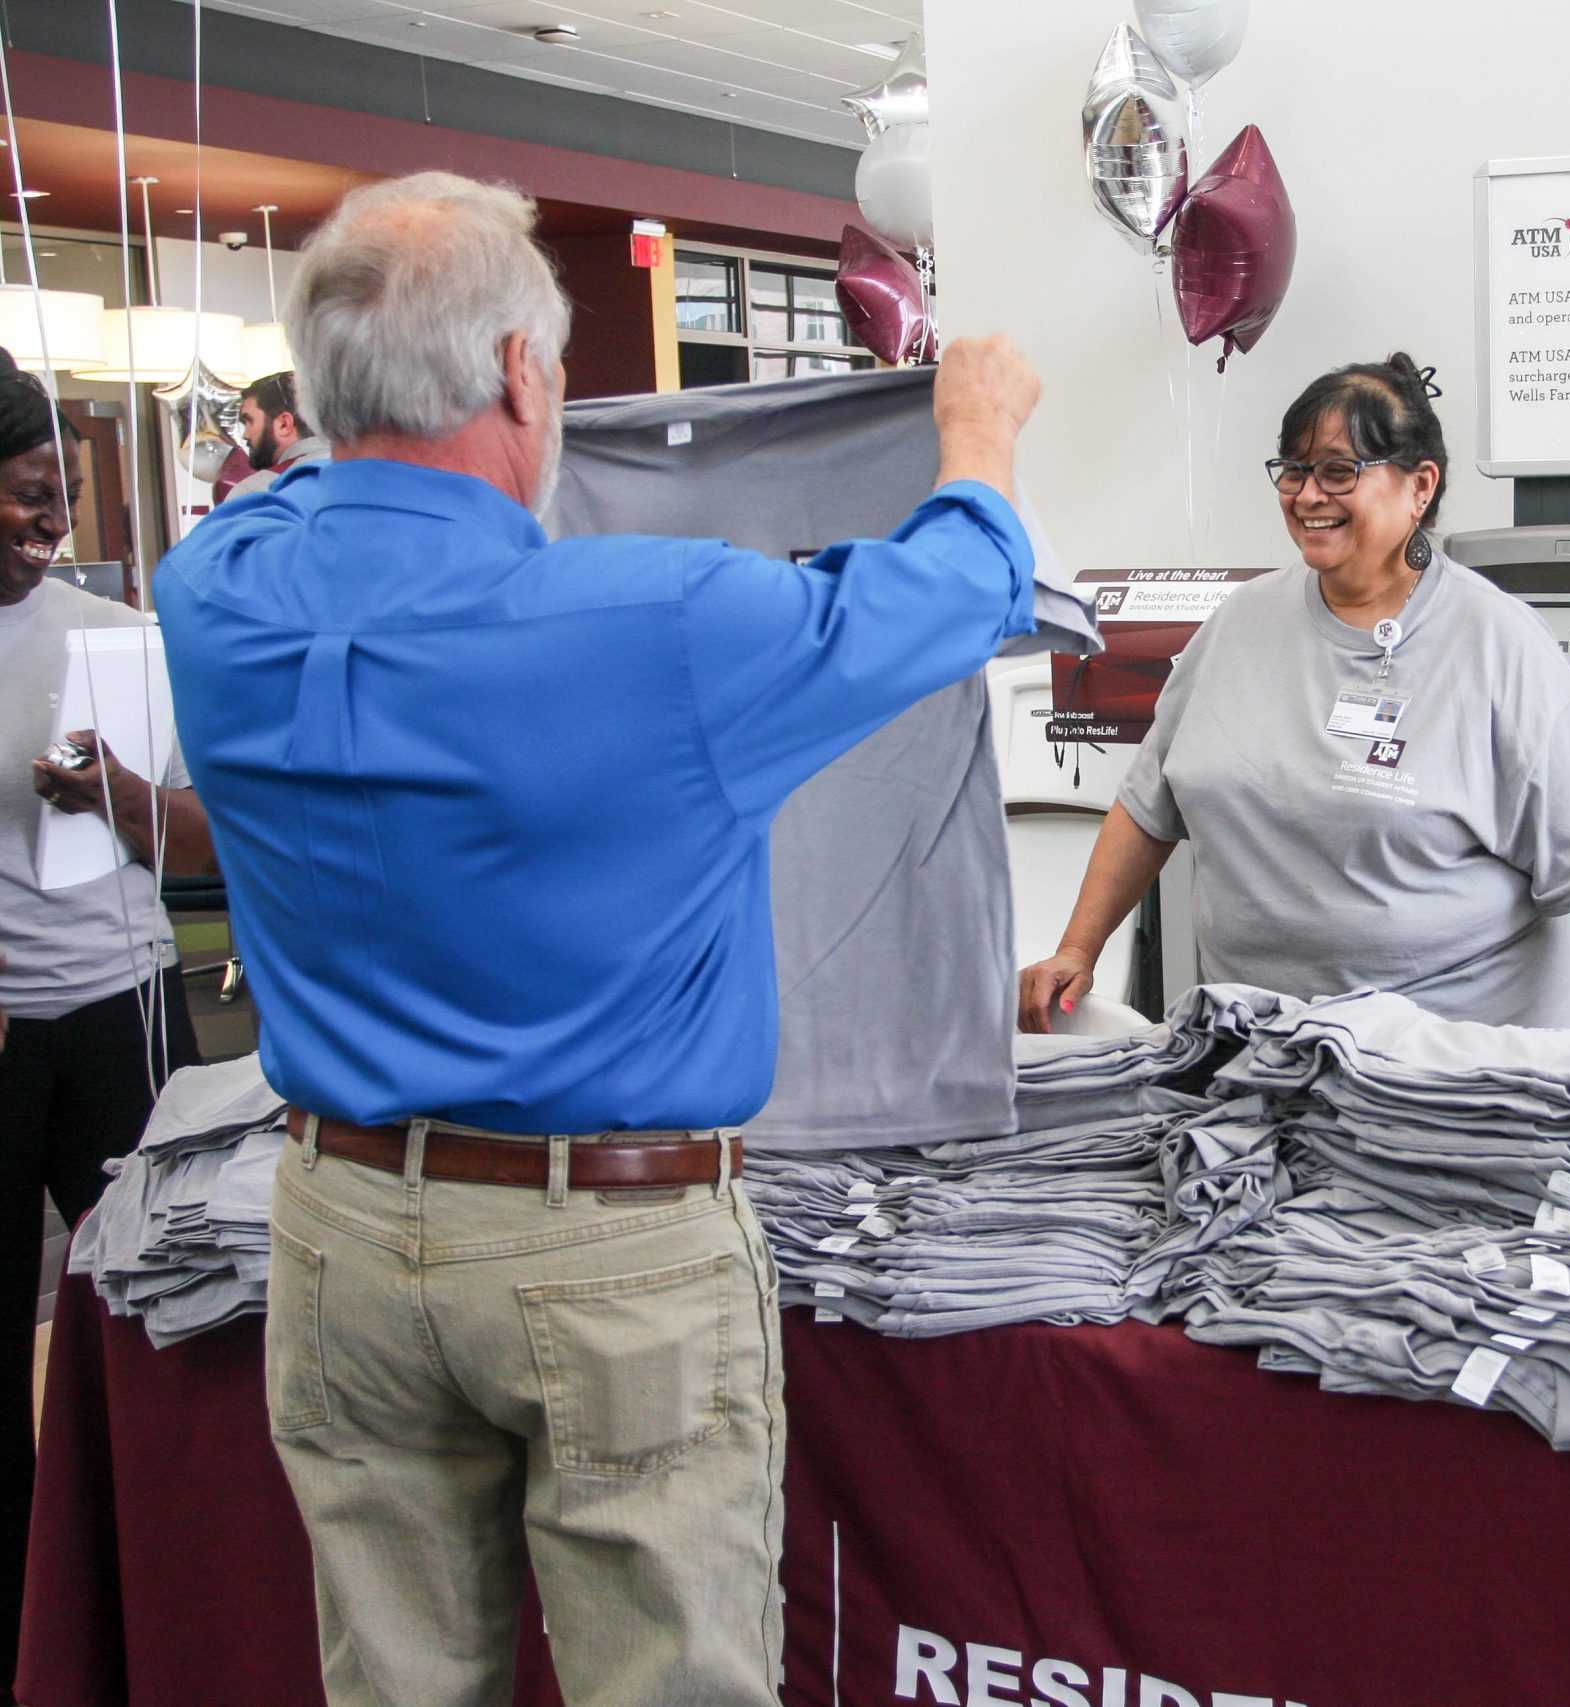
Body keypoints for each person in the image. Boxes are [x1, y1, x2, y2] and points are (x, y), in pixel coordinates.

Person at [153, 172, 1043, 1706]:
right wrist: (977, 431)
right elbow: (966, 586)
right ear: (516, 370)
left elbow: (306, 487)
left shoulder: (217, 591)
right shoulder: (668, 625)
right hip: (608, 1258)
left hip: (341, 1227)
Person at [1021, 353, 1570, 1035]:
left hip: (1463, 1068)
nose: (1307, 495)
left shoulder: (1498, 644)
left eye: (1337, 470)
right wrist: (1079, 947)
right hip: (1265, 1052)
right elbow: (1146, 808)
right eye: (1293, 469)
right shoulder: (1240, 623)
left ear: (1421, 488)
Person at [0, 369, 214, 1698]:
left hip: (120, 1006)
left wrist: (119, 798)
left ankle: (169, 1582)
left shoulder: (115, 635)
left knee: (163, 1310)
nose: (48, 519)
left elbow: (196, 832)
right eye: (27, 494)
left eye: (57, 493)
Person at [222, 369, 330, 501]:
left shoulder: (256, 492)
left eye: (249, 421)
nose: (245, 434)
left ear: (284, 424)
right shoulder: (356, 476)